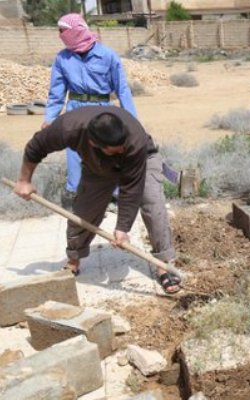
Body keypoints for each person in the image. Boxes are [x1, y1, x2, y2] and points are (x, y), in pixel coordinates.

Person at [14, 106, 180, 295]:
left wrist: (122, 228)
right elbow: (35, 147)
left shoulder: (133, 140)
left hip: (142, 159)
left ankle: (164, 264)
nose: (121, 150)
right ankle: (74, 260)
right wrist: (24, 180)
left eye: (122, 146)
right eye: (116, 150)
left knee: (153, 203)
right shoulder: (69, 127)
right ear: (94, 143)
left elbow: (131, 187)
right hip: (97, 166)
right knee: (84, 210)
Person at [43, 13, 137, 209]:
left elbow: (122, 89)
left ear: (76, 30)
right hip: (75, 109)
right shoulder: (63, 59)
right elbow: (56, 92)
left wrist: (131, 119)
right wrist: (50, 117)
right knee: (75, 154)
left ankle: (114, 195)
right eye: (59, 32)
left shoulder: (107, 56)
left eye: (63, 31)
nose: (60, 35)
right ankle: (78, 195)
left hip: (101, 110)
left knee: (107, 152)